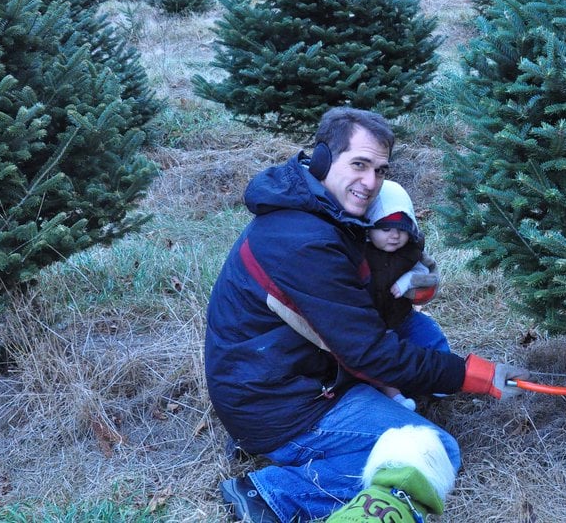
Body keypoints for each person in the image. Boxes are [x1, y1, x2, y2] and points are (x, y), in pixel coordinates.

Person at [204, 107, 527, 523]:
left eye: (380, 169)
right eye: (359, 164)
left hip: (292, 377)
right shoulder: (302, 241)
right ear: (322, 159)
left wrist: (415, 278)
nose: (371, 182)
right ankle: (274, 495)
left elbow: (363, 307)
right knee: (434, 450)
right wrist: (470, 374)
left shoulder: (322, 212)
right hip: (281, 404)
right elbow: (369, 351)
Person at [364, 180, 443, 411]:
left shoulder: (411, 251)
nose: (395, 236)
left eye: (402, 229)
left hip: (402, 316)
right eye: (386, 229)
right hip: (373, 325)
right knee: (383, 358)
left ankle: (442, 374)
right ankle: (395, 397)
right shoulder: (359, 252)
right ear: (369, 227)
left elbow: (428, 275)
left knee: (429, 333)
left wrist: (409, 280)